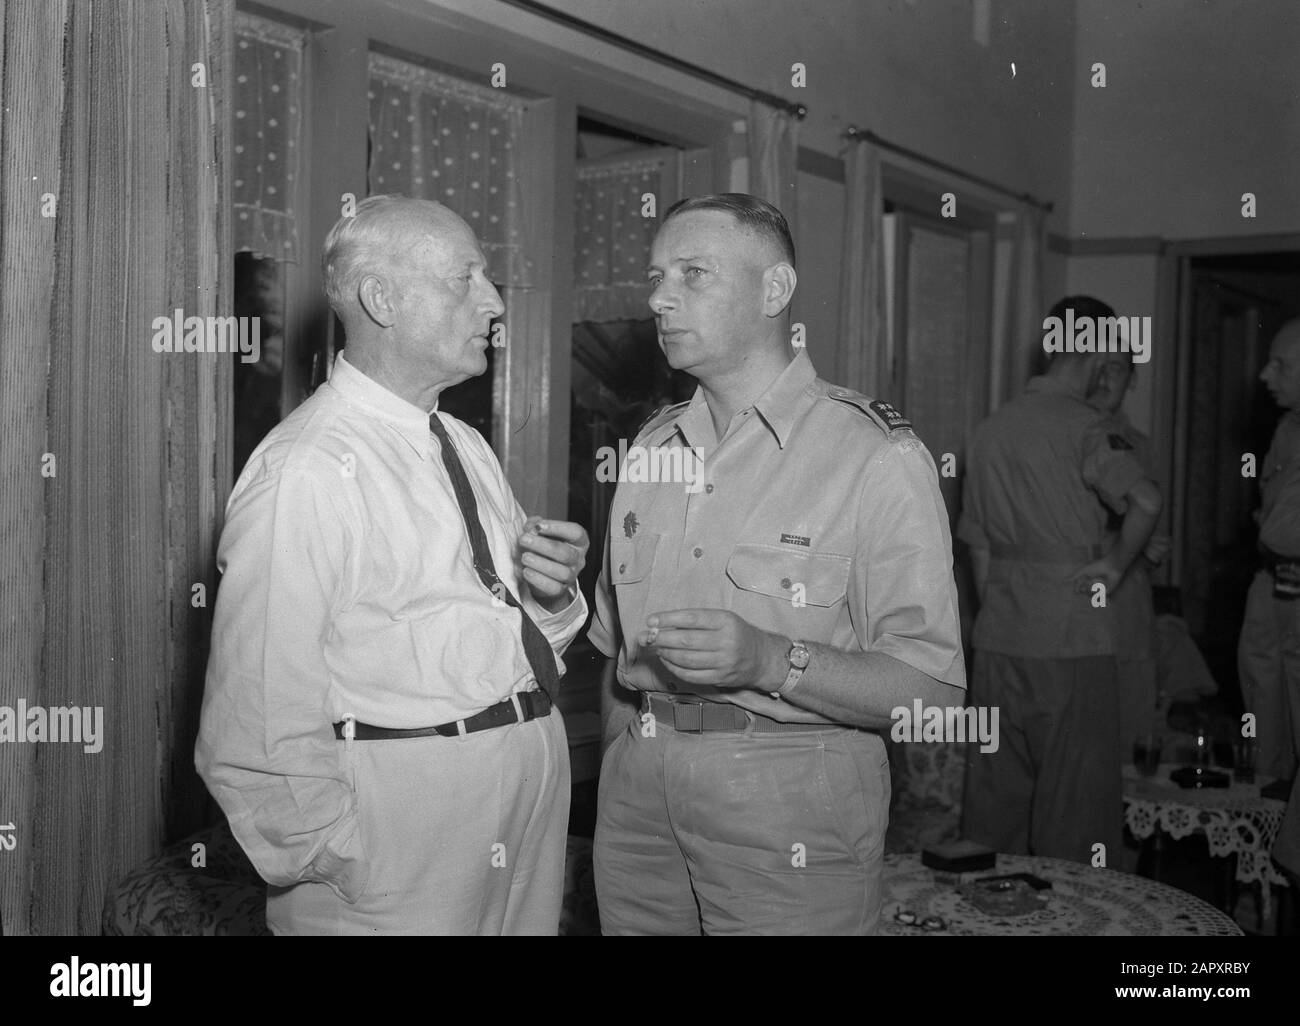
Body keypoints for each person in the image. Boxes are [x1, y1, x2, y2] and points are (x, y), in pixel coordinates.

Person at [196, 195, 589, 935]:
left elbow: (495, 644)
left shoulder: (463, 444)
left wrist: (553, 595)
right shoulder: (305, 469)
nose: (494, 301)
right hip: (405, 841)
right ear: (382, 300)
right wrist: (339, 855)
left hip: (523, 809)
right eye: (465, 279)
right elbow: (255, 715)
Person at [588, 193, 966, 935]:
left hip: (791, 799)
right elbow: (615, 653)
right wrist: (621, 765)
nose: (660, 297)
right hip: (639, 792)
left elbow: (932, 694)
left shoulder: (874, 455)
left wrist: (769, 660)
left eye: (693, 273)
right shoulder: (651, 451)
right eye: (658, 275)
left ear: (774, 291)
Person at [959, 295, 1162, 863]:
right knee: (1076, 817)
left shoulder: (989, 429)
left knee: (995, 814)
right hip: (1072, 639)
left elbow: (978, 551)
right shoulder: (1088, 428)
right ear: (1103, 361)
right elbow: (1146, 500)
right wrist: (1116, 566)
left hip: (999, 642)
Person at [1085, 354, 1171, 755]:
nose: (1104, 379)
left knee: (1133, 740)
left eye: (1116, 369)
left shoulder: (1141, 448)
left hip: (1128, 608)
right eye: (1097, 367)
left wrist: (1139, 549)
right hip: (1077, 612)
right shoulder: (1065, 435)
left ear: (1133, 379)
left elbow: (1157, 542)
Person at [1239, 318, 1300, 878]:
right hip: (1273, 591)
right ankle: (1263, 886)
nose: (1264, 374)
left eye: (1282, 364)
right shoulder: (1285, 431)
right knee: (1266, 735)